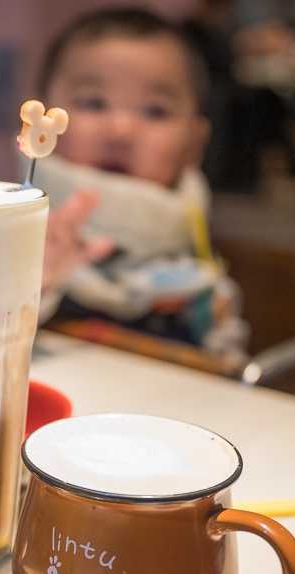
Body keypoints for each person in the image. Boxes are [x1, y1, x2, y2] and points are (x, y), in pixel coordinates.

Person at [36, 7, 248, 360]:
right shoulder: (11, 232)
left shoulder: (198, 261)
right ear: (41, 125)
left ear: (194, 145)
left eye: (154, 111)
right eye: (93, 102)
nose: (121, 130)